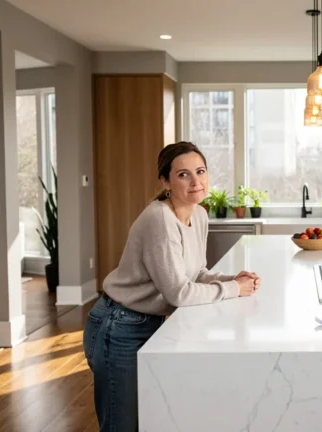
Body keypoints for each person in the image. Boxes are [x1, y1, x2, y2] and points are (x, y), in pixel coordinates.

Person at [83, 141, 260, 431]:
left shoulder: (198, 214)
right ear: (165, 181)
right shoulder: (159, 220)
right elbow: (179, 292)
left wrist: (233, 280)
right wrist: (234, 290)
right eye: (183, 174)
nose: (195, 181)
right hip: (118, 327)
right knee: (122, 425)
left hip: (148, 323)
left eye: (200, 171)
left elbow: (195, 272)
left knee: (149, 420)